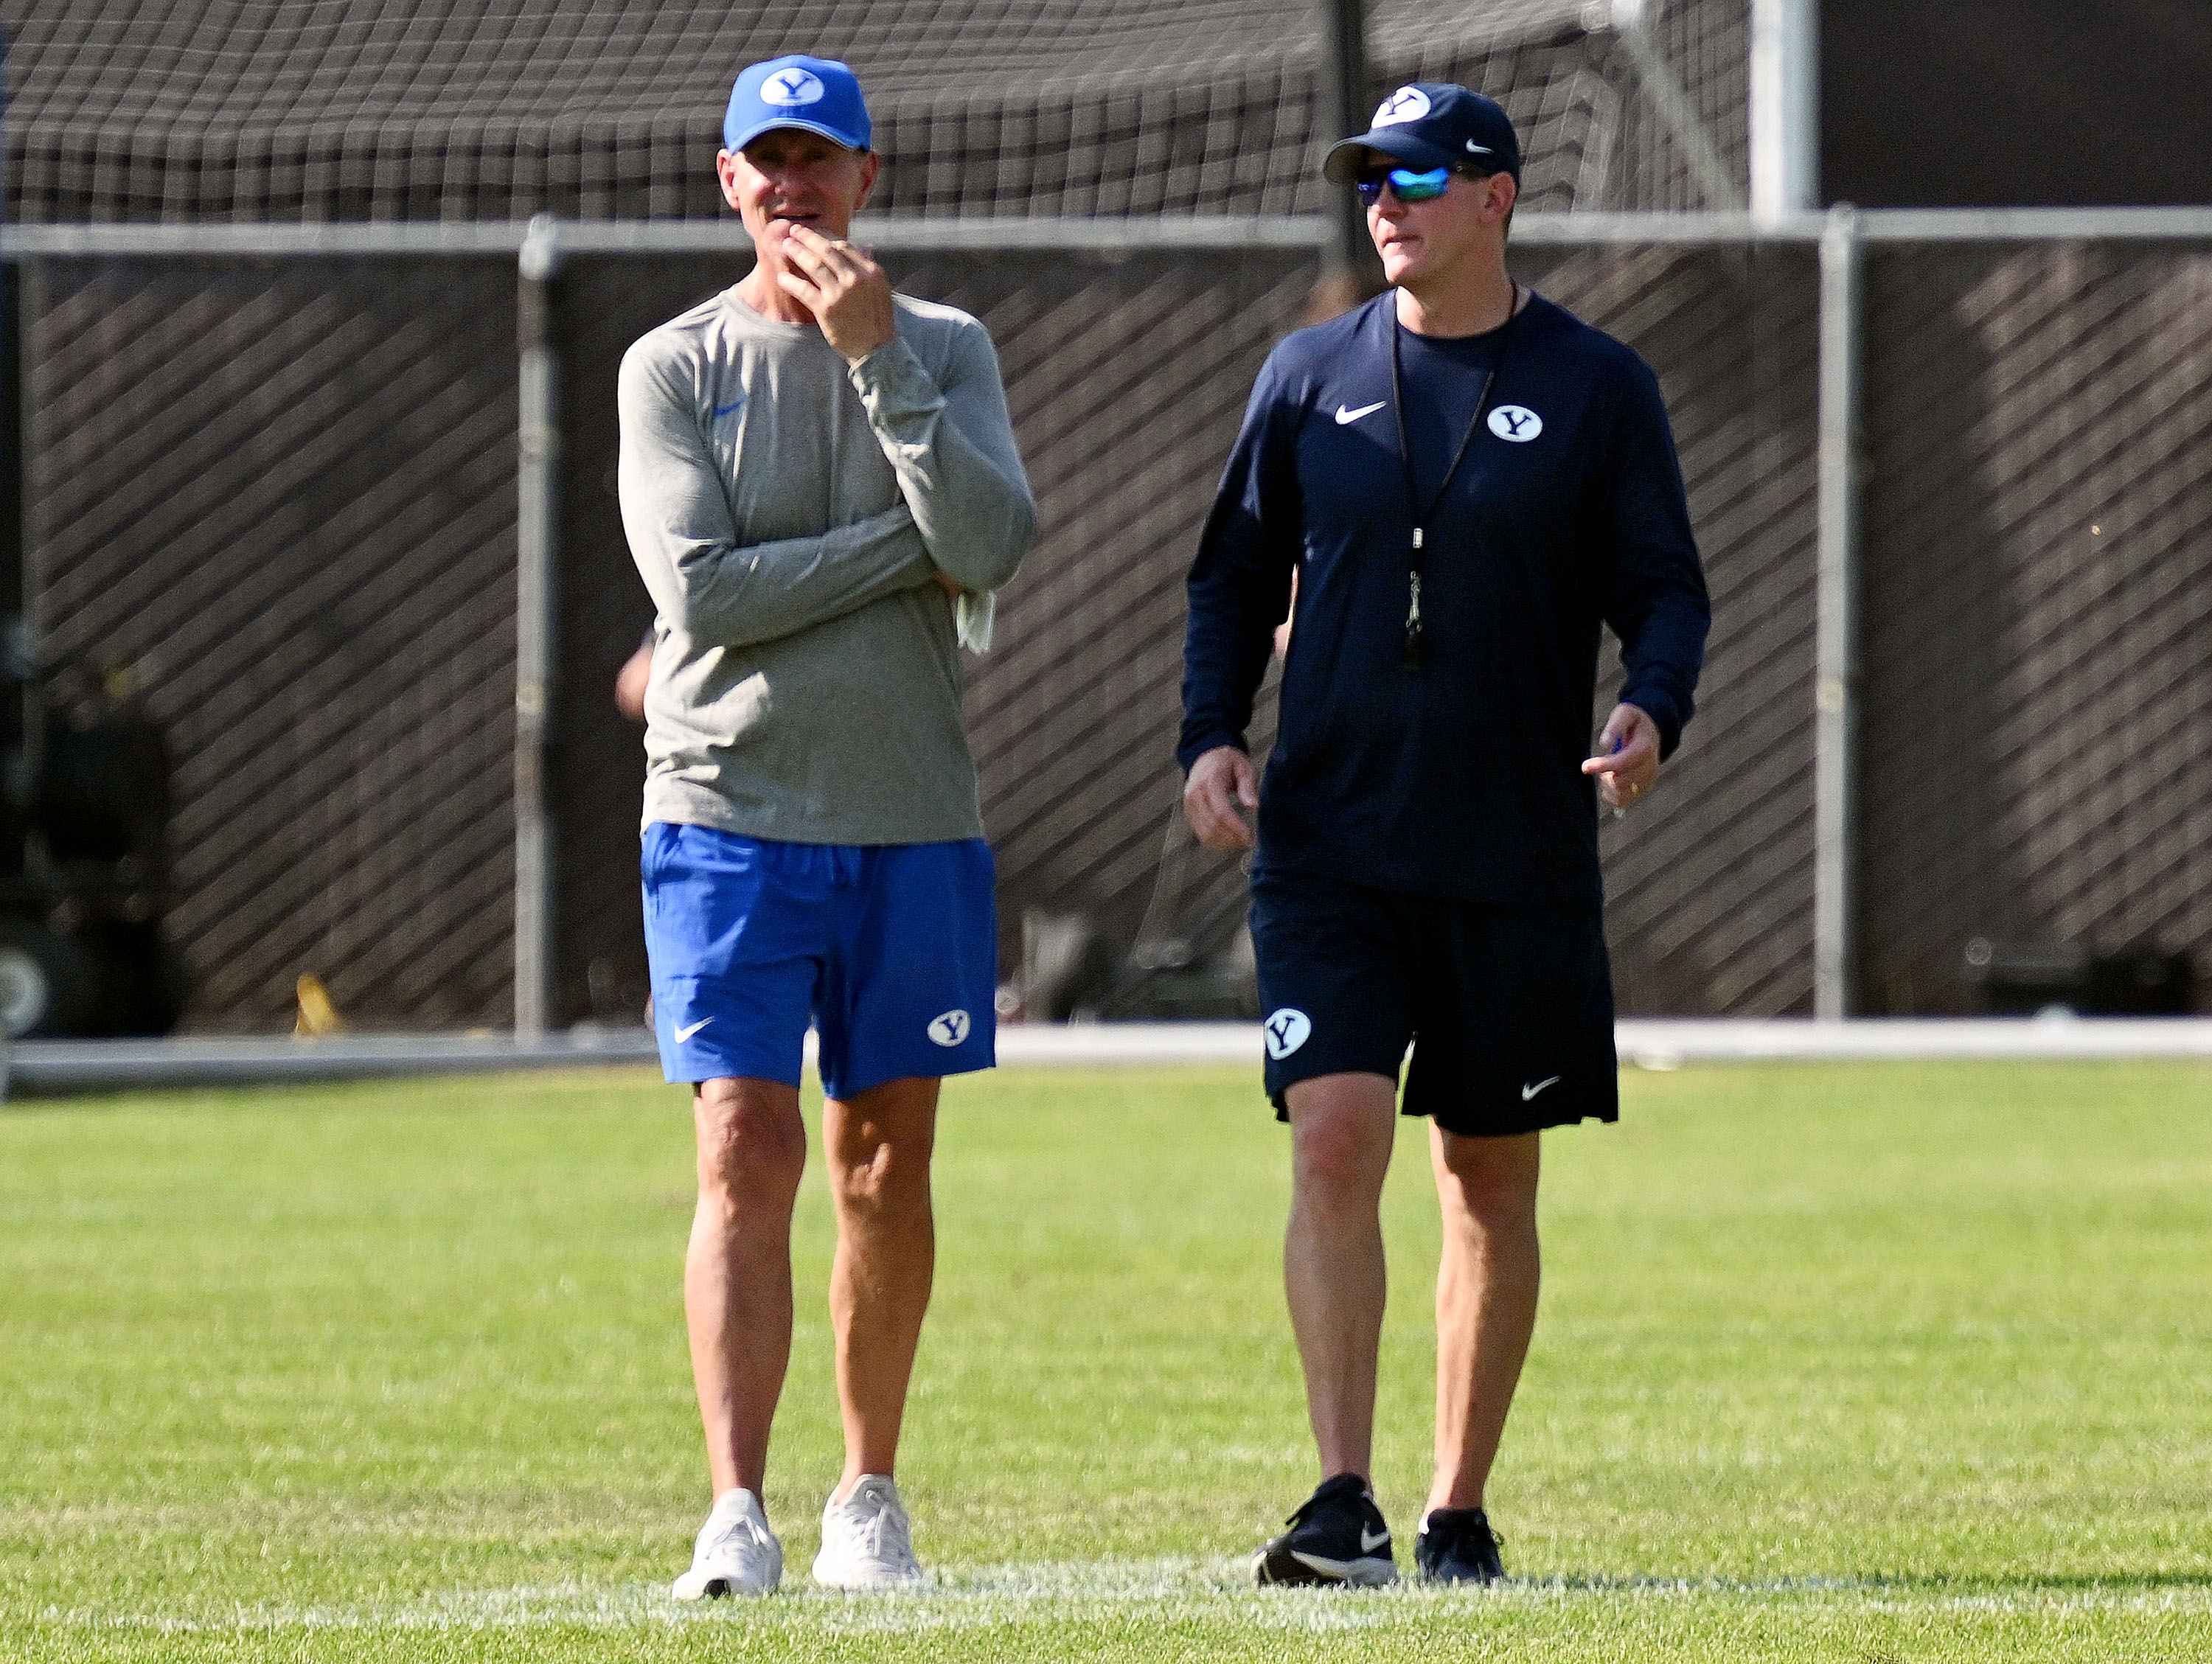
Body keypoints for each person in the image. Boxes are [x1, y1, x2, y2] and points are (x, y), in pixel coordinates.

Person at [1179, 83, 1709, 1587]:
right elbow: (1232, 576)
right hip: (1330, 843)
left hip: (1514, 848)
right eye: (1371, 180)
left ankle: (1456, 1506)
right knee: (1337, 1135)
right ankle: (1339, 1497)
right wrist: (1210, 733)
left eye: (1416, 178)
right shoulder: (1308, 374)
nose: (1386, 204)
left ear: (1497, 198)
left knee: (1487, 1171)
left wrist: (1652, 707)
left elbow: (1665, 586)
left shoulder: (1598, 385)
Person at [619, 53, 1037, 1598]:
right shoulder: (671, 365)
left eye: (819, 159)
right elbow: (701, 594)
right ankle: (735, 1505)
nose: (793, 187)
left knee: (882, 1162)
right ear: (728, 179)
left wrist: (876, 359)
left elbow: (990, 538)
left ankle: (868, 1493)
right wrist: (904, 552)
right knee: (745, 1142)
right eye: (767, 160)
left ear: (869, 175)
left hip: (910, 818)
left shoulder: (944, 346)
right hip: (725, 812)